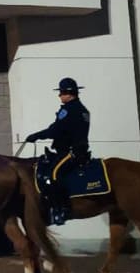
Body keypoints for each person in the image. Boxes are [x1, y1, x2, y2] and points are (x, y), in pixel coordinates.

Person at [25, 77, 91, 226]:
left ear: (68, 93)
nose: (59, 95)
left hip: (71, 152)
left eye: (61, 92)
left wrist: (36, 136)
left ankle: (62, 209)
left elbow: (55, 130)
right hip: (76, 150)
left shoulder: (69, 110)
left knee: (52, 175)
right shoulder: (82, 110)